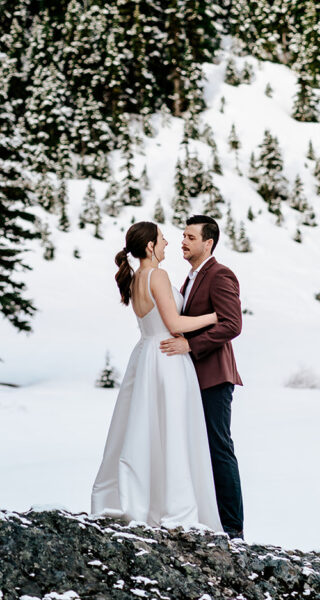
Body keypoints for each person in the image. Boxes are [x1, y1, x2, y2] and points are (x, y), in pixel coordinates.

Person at [90, 221, 223, 532]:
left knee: (146, 430)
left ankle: (146, 499)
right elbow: (174, 322)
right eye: (162, 240)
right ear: (149, 246)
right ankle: (175, 505)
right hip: (167, 359)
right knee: (173, 430)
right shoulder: (157, 275)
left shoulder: (137, 278)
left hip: (146, 356)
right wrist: (217, 315)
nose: (167, 245)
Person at [160, 215, 244, 539]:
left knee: (219, 448)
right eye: (182, 236)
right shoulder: (190, 278)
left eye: (190, 237)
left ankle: (233, 528)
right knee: (197, 448)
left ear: (208, 243)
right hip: (192, 379)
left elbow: (232, 324)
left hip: (214, 377)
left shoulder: (221, 275)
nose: (183, 241)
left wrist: (189, 345)